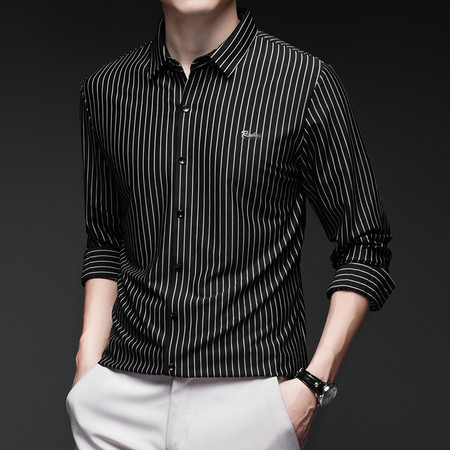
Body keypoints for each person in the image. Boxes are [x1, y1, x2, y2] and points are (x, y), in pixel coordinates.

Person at [65, 1, 397, 449]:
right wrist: (88, 364)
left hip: (249, 403)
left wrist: (312, 385)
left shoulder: (302, 82)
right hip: (120, 396)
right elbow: (106, 242)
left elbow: (365, 244)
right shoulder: (106, 90)